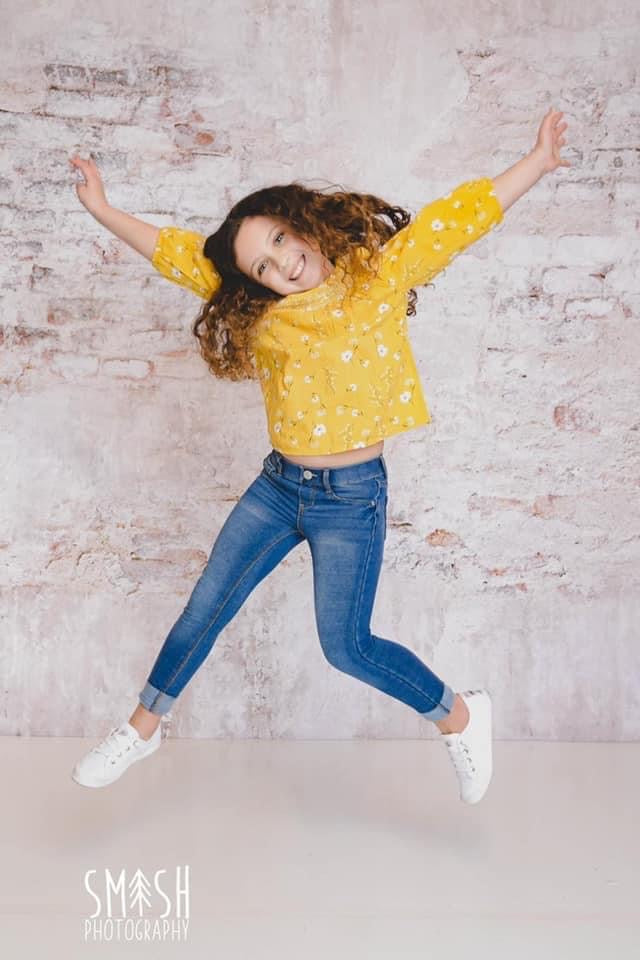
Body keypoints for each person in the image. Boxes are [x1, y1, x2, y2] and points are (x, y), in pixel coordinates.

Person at [69, 108, 570, 802]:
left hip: (351, 499)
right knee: (207, 603)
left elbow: (457, 221)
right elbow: (176, 252)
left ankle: (459, 716)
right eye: (262, 266)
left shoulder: (377, 277)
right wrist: (102, 209)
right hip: (278, 489)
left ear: (299, 223)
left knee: (347, 646)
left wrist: (537, 161)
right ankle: (142, 728)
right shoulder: (260, 308)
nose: (281, 263)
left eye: (278, 240)